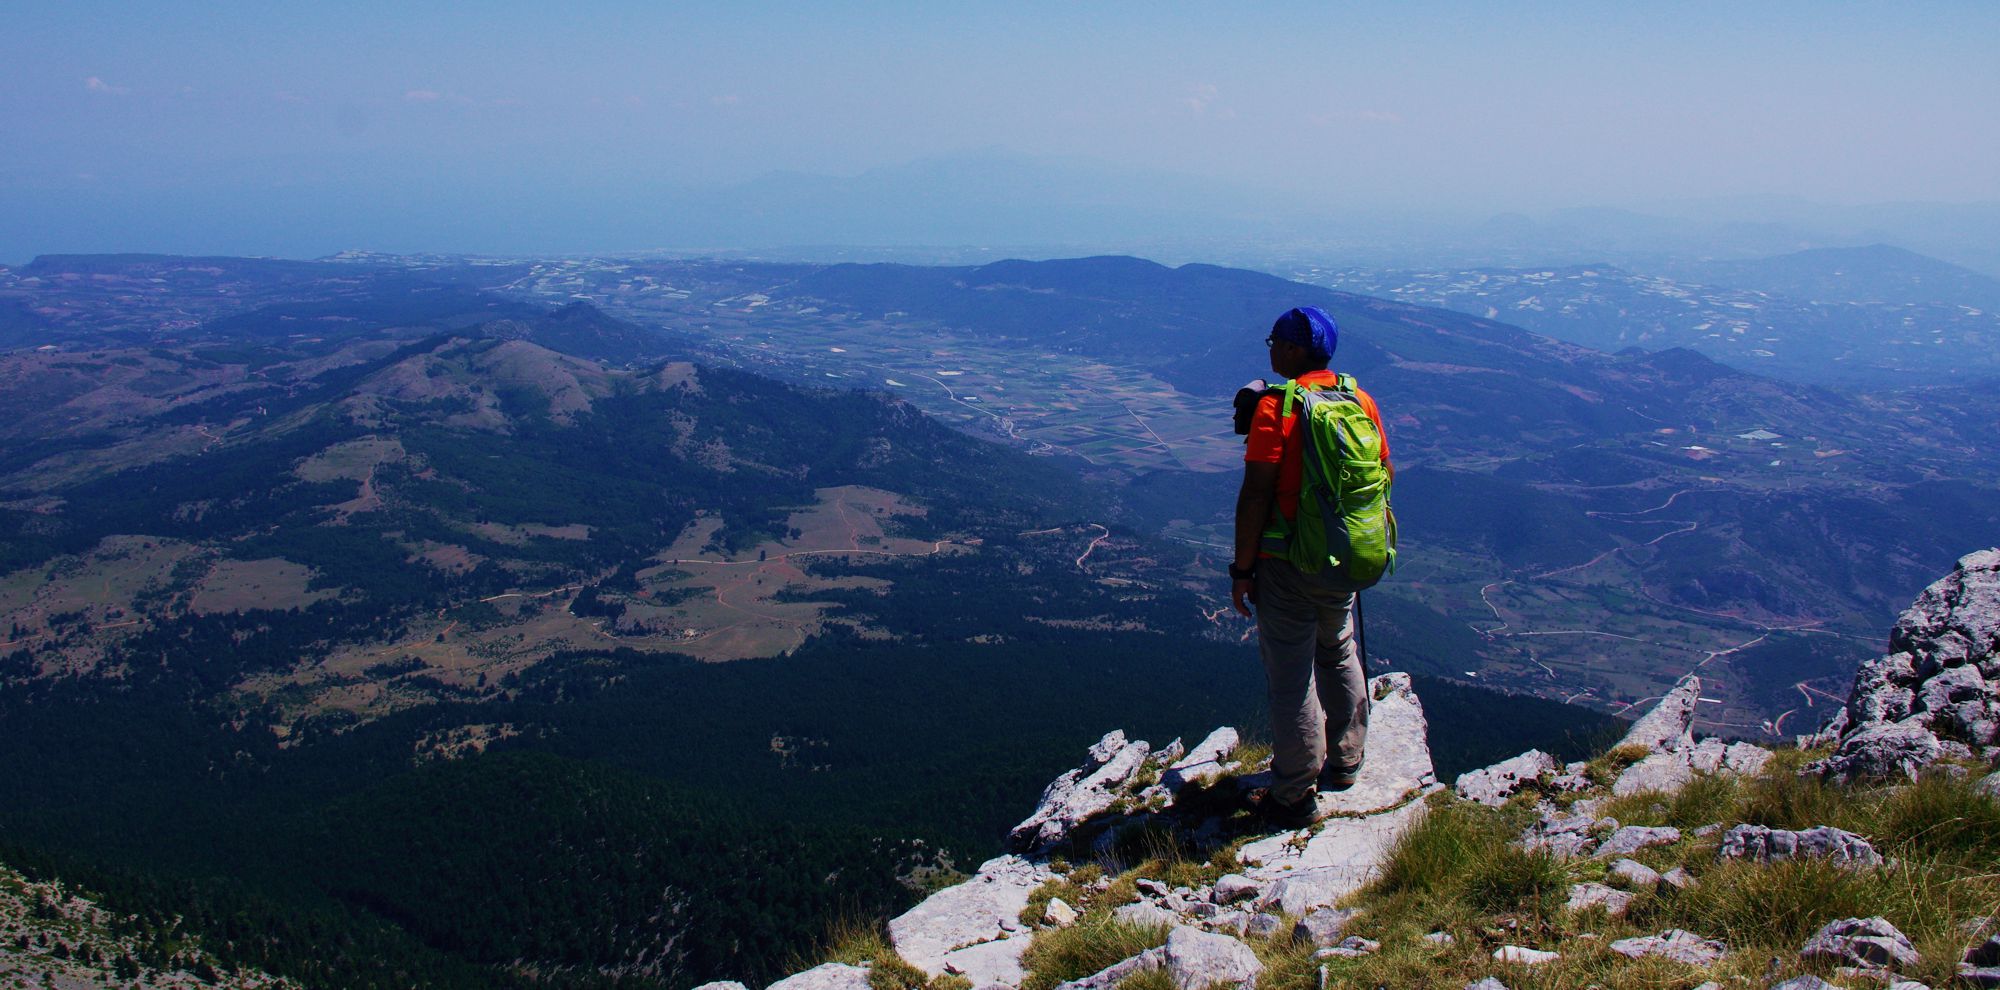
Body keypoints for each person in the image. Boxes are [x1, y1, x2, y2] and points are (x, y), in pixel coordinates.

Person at [1229, 306, 1393, 827]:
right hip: (1346, 558)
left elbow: (1255, 495)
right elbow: (1383, 472)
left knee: (1291, 675)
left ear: (1296, 350)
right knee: (1338, 647)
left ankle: (1294, 792)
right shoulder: (1357, 398)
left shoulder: (1277, 409)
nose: (1271, 348)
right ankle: (1345, 760)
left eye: (1275, 340)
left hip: (1287, 565)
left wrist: (1242, 569)